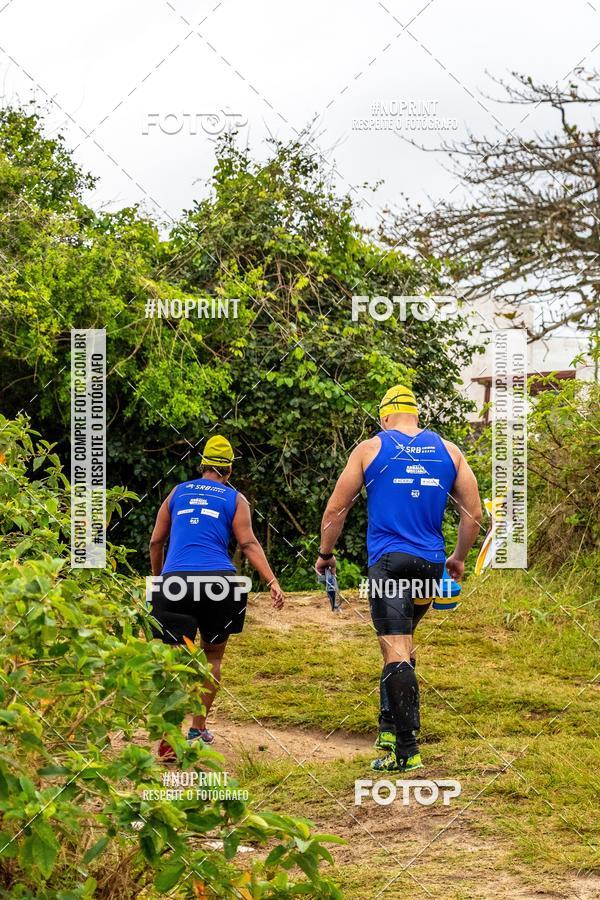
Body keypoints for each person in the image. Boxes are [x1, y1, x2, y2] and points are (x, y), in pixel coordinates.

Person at [315, 386, 481, 773]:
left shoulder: (370, 449)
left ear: (385, 416)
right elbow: (472, 515)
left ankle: (407, 751)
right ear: (416, 416)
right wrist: (457, 559)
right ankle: (388, 727)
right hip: (429, 566)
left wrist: (326, 554)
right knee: (402, 643)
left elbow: (336, 508)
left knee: (396, 650)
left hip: (388, 564)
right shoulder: (450, 452)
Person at [148, 434, 284, 759]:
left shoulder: (177, 493)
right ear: (229, 471)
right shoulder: (236, 499)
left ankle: (169, 738)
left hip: (174, 583)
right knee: (212, 658)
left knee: (176, 662)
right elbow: (249, 543)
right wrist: (272, 581)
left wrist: (160, 582)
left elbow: (156, 542)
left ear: (202, 464)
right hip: (219, 584)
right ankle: (197, 730)